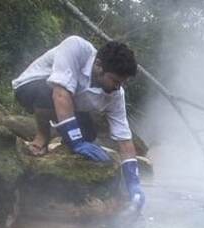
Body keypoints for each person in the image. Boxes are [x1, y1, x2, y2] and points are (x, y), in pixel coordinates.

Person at [12, 36, 144, 211]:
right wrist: (76, 141)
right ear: (99, 66)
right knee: (47, 93)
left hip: (67, 102)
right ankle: (42, 136)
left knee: (88, 135)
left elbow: (124, 139)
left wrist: (134, 184)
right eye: (114, 80)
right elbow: (59, 93)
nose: (118, 87)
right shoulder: (76, 48)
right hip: (31, 87)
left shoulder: (116, 93)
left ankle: (62, 140)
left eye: (122, 83)